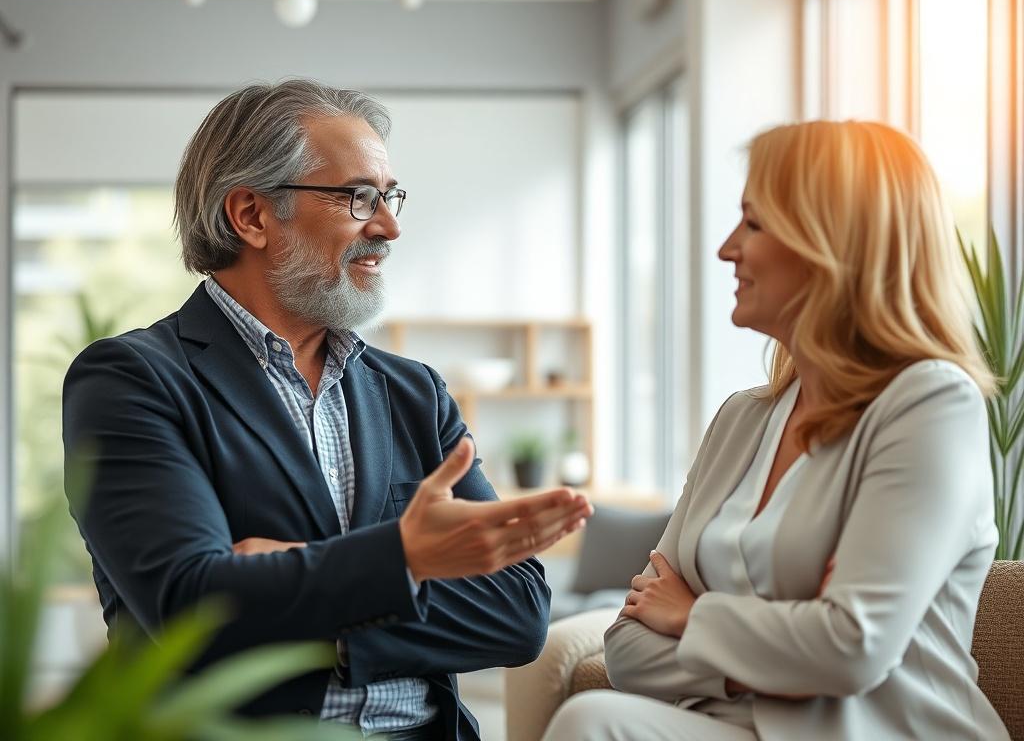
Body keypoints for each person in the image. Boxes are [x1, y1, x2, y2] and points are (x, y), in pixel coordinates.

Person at [62, 79, 592, 741]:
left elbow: (516, 612)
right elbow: (192, 610)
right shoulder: (131, 380)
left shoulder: (415, 393)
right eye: (359, 197)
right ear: (252, 215)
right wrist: (403, 560)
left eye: (390, 196)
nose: (390, 226)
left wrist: (294, 575)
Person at [543, 120, 1011, 740]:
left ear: (831, 243)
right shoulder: (740, 420)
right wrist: (785, 651)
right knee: (593, 719)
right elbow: (628, 647)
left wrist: (693, 616)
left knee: (593, 724)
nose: (726, 249)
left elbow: (850, 649)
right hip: (741, 728)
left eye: (753, 223)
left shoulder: (929, 404)